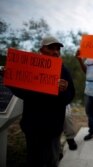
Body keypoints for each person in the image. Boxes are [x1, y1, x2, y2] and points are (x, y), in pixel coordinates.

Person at [6, 36, 75, 167]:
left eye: (57, 49)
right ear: (42, 49)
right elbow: (21, 92)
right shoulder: (30, 68)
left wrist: (63, 90)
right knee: (34, 160)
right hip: (32, 126)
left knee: (51, 160)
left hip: (52, 128)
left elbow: (70, 95)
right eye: (51, 48)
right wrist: (9, 79)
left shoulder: (63, 70)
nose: (55, 52)